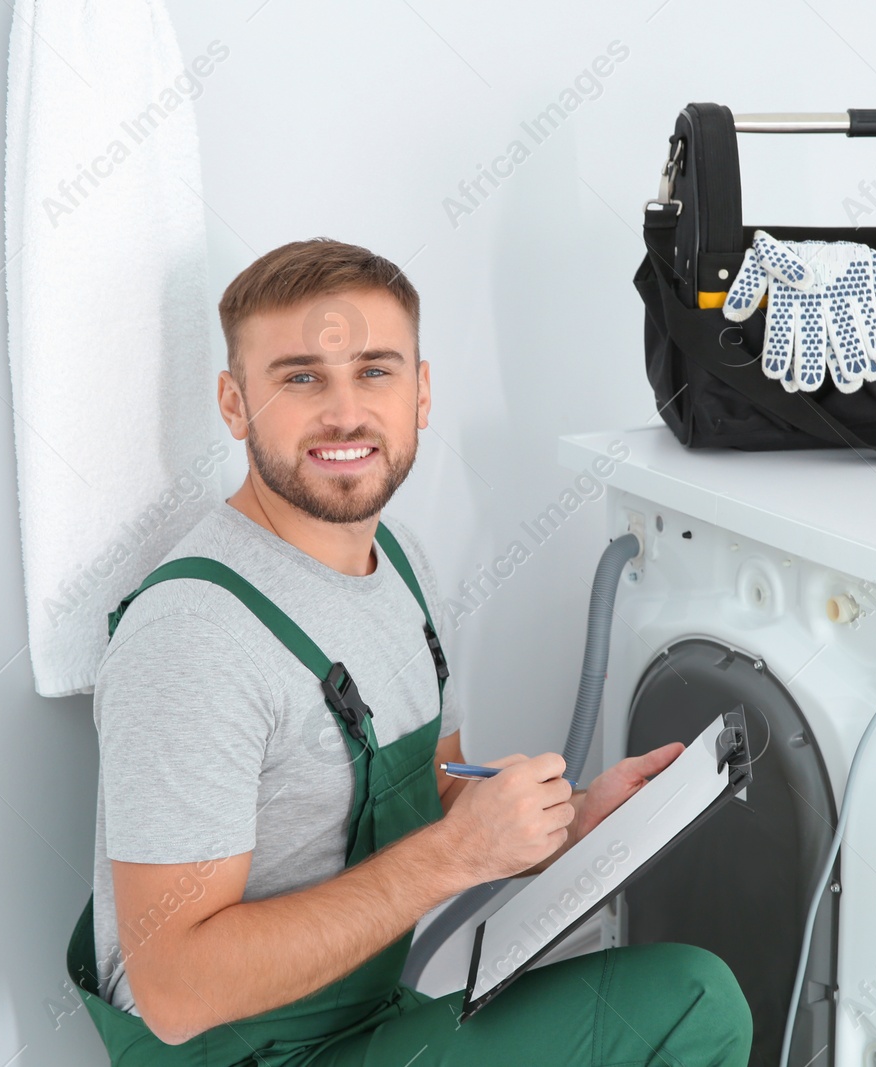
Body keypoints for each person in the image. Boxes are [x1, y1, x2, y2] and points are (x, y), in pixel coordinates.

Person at [64, 237, 753, 1066]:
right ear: (235, 403)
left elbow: (440, 790)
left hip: (366, 1021)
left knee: (689, 997)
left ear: (421, 393)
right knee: (698, 1007)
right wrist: (455, 856)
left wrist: (572, 823)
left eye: (376, 370)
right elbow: (174, 991)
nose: (345, 412)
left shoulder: (401, 564)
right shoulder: (193, 638)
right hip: (240, 1056)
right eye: (300, 377)